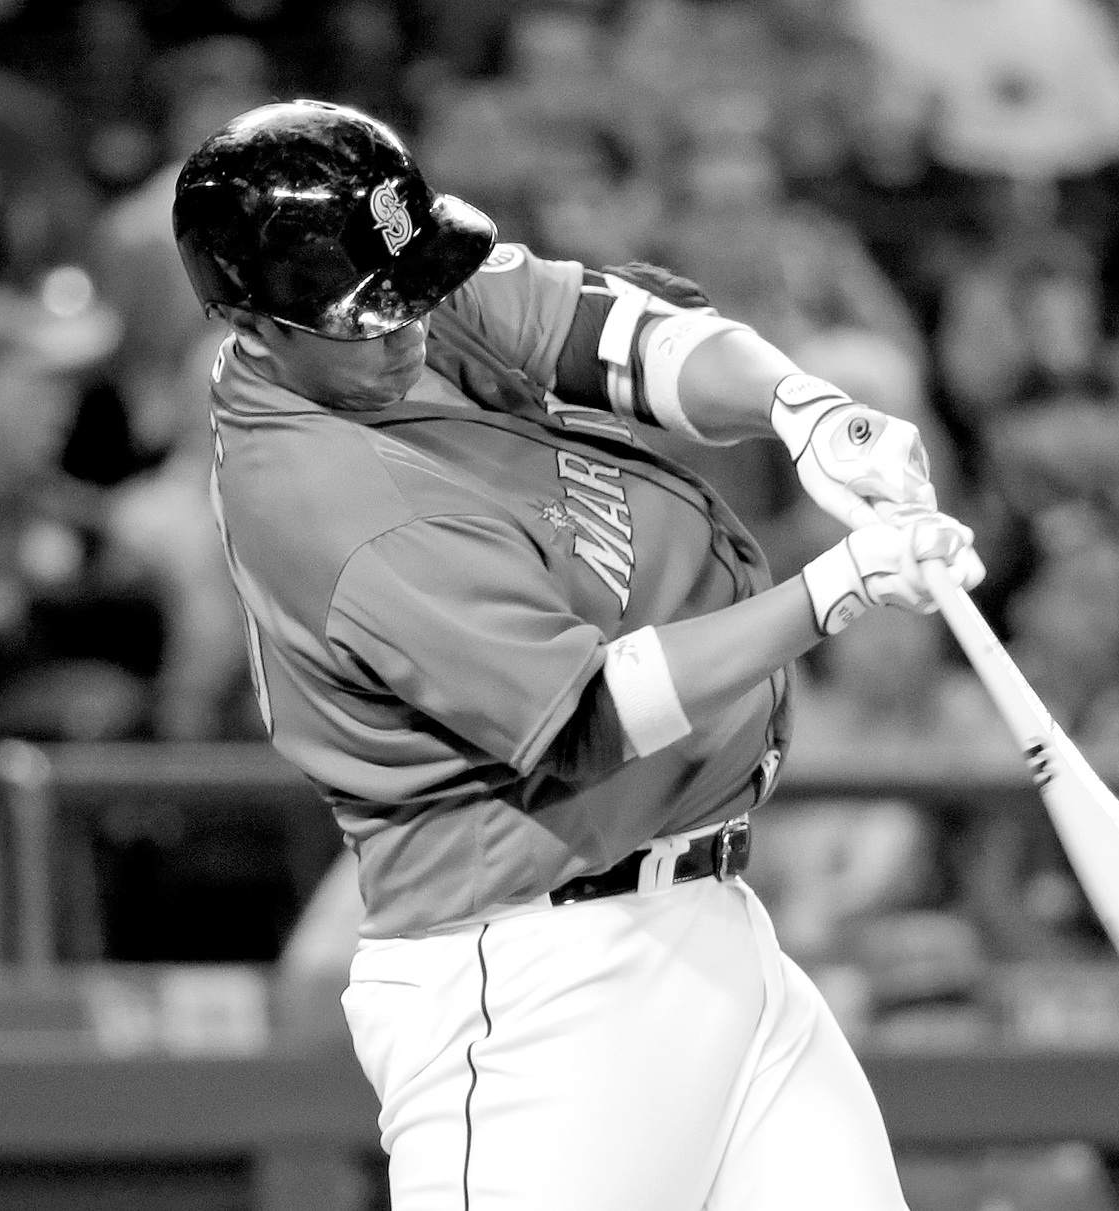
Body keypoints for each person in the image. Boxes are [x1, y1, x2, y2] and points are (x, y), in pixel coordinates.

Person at [173, 101, 984, 1210]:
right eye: (371, 316)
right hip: (536, 988)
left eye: (412, 291)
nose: (408, 328)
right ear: (253, 323)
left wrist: (801, 408)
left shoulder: (385, 303)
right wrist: (833, 591)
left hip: (712, 925)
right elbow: (594, 714)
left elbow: (617, 333)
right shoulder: (333, 505)